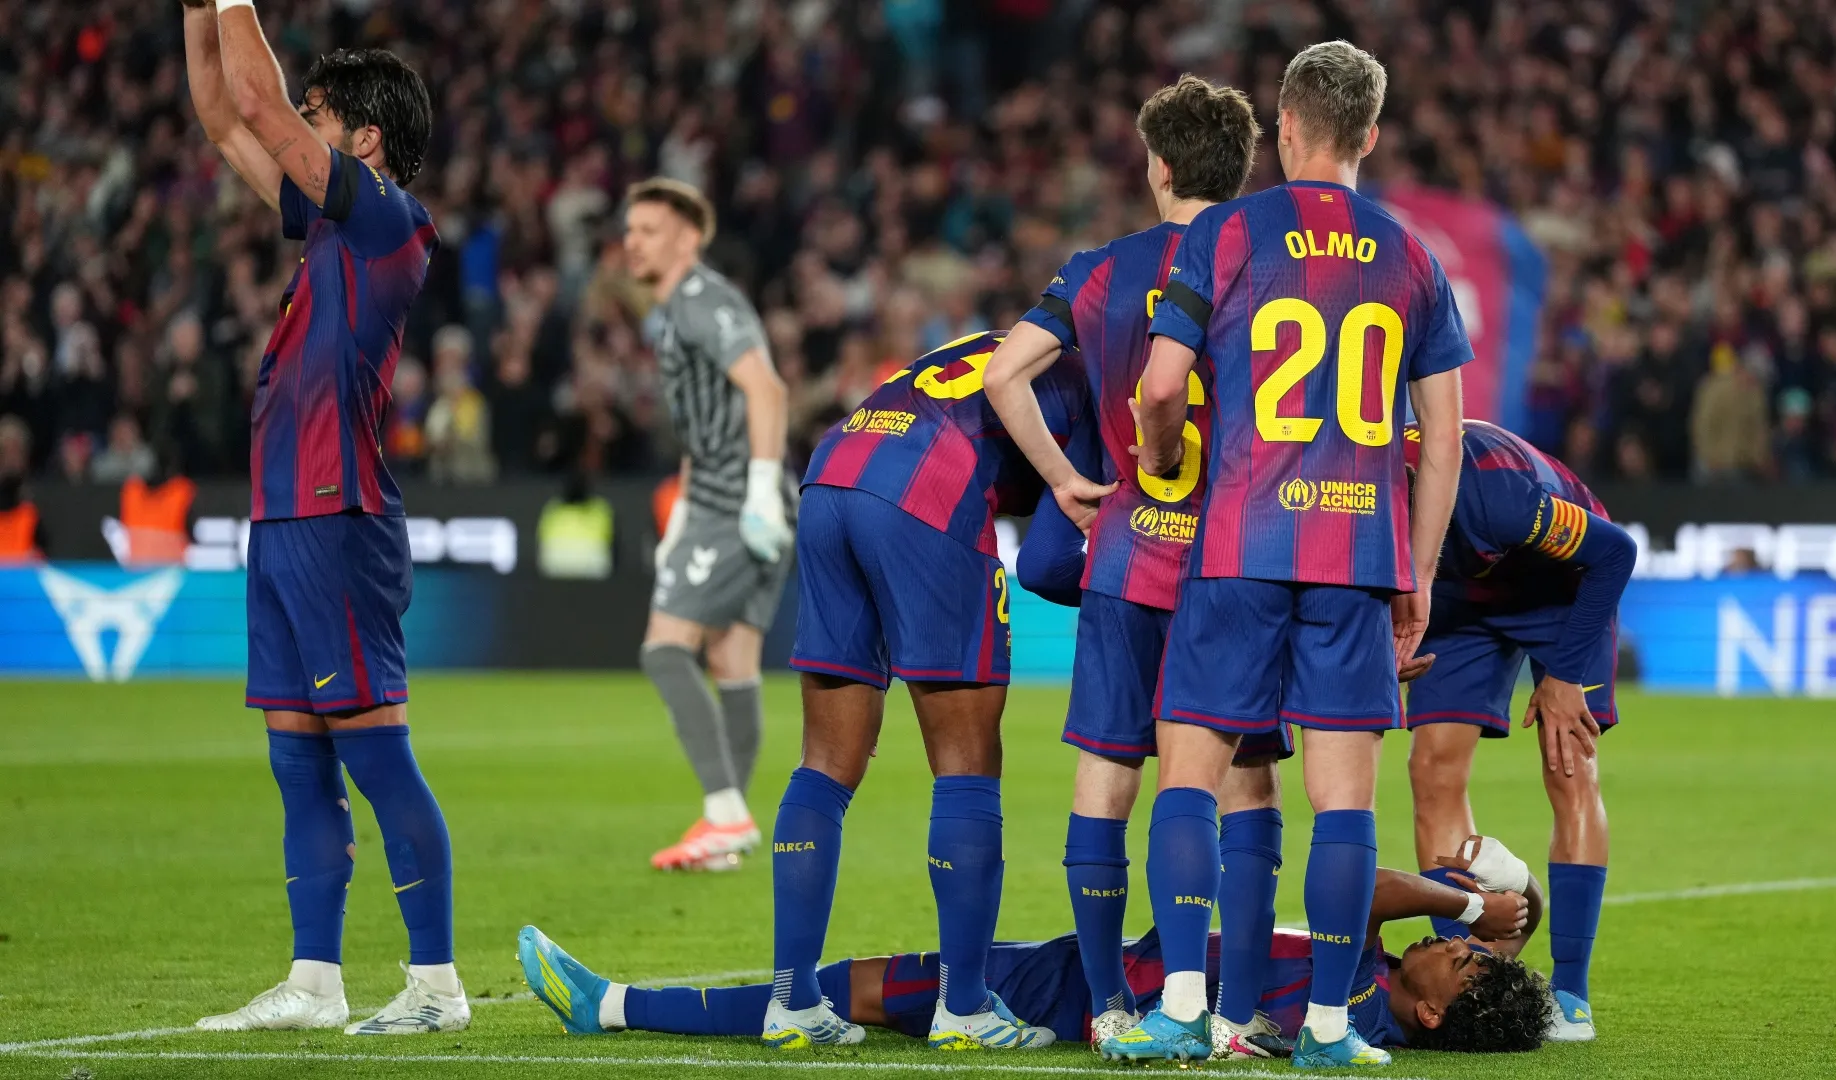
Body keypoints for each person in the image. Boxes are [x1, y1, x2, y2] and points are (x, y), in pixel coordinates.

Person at [1125, 40, 1471, 1067]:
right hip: (1358, 554)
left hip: (1239, 541)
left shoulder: (1228, 232)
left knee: (1190, 778)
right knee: (1344, 803)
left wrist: (1164, 455)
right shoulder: (1412, 253)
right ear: (1369, 135)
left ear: (1282, 127)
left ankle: (1185, 1008)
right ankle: (1327, 1026)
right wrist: (1417, 573)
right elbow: (1443, 441)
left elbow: (1158, 388)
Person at [983, 74, 1289, 1056]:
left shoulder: (1105, 268)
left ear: (1157, 165)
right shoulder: (1267, 268)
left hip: (1124, 557)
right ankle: (1234, 1013)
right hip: (1237, 564)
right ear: (1238, 171)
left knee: (1106, 782)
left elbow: (1001, 373)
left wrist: (1065, 478)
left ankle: (1111, 1005)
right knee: (1241, 788)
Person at [180, 0, 463, 1035]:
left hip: (337, 510)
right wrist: (196, 14)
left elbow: (255, 99)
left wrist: (235, 1)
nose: (293, 126)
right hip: (285, 514)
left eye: (316, 115)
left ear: (366, 137)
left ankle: (435, 986)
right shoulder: (332, 227)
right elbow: (224, 117)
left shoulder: (384, 216)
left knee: (376, 753)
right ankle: (314, 982)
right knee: (296, 752)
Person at [768, 331, 1096, 1051]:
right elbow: (1044, 562)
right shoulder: (1103, 380)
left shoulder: (1005, 340)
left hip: (834, 468)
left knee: (825, 761)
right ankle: (967, 1006)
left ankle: (791, 1000)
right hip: (931, 485)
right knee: (967, 760)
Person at [517, 861, 1552, 1055]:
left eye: (1459, 965)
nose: (1455, 945)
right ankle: (616, 1002)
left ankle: (611, 1006)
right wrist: (1492, 916)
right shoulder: (1367, 989)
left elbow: (1358, 887)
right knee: (853, 990)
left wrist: (1472, 900)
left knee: (846, 991)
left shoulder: (1355, 1011)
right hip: (1100, 971)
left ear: (1428, 1015)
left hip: (1068, 988)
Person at [1403, 419, 1636, 1043]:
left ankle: (1571, 994)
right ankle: (1462, 979)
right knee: (1431, 770)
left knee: (1568, 762)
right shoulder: (1358, 492)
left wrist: (1562, 677)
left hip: (1562, 589)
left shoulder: (1495, 492)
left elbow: (1616, 553)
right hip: (1458, 600)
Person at [626, 178, 794, 873]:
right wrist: (684, 515)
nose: (633, 241)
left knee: (665, 650)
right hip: (730, 497)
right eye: (630, 230)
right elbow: (701, 430)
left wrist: (754, 493)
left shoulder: (702, 301)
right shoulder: (674, 314)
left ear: (688, 239)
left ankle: (725, 813)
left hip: (740, 501)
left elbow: (767, 389)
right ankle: (728, 828)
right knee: (732, 660)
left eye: (649, 230)